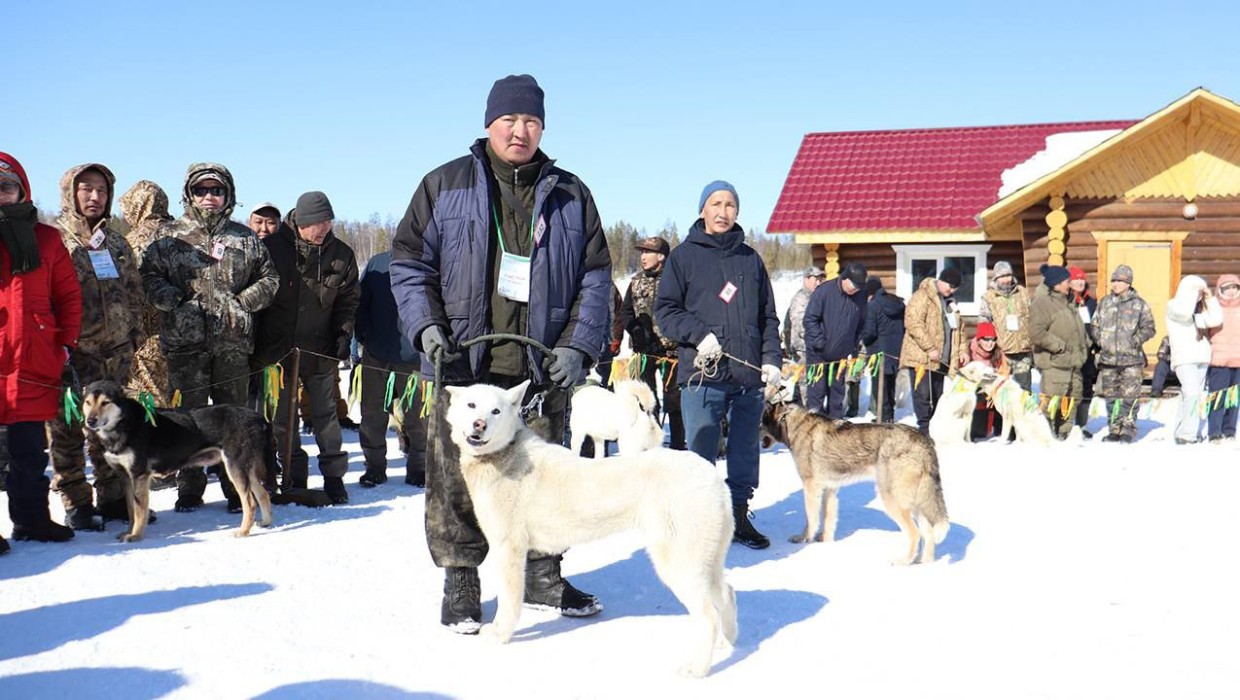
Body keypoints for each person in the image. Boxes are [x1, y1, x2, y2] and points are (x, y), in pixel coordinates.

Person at [390, 75, 612, 632]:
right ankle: (462, 579)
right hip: (464, 369)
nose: (521, 131)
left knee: (543, 483)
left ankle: (542, 575)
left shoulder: (570, 193)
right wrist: (426, 329)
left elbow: (596, 277)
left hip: (538, 371)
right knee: (454, 479)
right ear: (489, 123)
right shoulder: (446, 184)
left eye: (532, 121)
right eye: (510, 120)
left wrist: (579, 346)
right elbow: (410, 264)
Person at [140, 163, 279, 512]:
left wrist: (244, 302)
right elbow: (149, 277)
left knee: (234, 419)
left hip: (232, 344)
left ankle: (238, 489)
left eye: (216, 190)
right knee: (188, 419)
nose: (209, 197)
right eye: (202, 190)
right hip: (186, 344)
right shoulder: (168, 236)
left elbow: (269, 279)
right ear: (190, 193)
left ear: (227, 194)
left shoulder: (244, 238)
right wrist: (174, 301)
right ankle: (190, 487)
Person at [655, 180, 781, 550]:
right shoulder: (683, 257)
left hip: (747, 376)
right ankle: (698, 525)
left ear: (737, 212)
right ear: (702, 211)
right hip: (702, 375)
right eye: (715, 203)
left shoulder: (750, 259)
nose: (723, 211)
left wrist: (771, 360)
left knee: (744, 449)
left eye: (729, 204)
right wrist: (699, 336)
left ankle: (739, 515)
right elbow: (666, 311)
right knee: (700, 454)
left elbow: (768, 317)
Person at [47, 163, 144, 531]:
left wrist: (131, 334)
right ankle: (76, 502)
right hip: (72, 354)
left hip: (114, 354)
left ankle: (113, 498)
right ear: (70, 193)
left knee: (110, 429)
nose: (94, 197)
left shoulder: (116, 242)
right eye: (86, 189)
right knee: (67, 429)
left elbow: (133, 291)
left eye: (101, 190)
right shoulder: (54, 238)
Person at [252, 192, 359, 504]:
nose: (324, 228)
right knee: (282, 417)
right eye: (318, 223)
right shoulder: (272, 249)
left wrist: (341, 335)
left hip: (320, 349)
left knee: (326, 416)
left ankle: (334, 477)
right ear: (301, 221)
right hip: (278, 352)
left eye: (329, 221)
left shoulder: (341, 254)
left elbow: (349, 300)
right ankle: (292, 473)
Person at [0, 152, 82, 546]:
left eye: (6, 186)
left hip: (34, 356)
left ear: (22, 190)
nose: (1, 194)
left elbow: (67, 294)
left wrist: (64, 341)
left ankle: (31, 519)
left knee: (29, 451)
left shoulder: (46, 238)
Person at [356, 249, 426, 488]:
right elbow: (360, 301)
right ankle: (374, 468)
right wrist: (362, 335)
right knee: (372, 415)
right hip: (376, 353)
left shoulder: (427, 261)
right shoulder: (378, 263)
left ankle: (419, 468)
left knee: (418, 416)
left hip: (414, 355)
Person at [618, 236, 684, 448]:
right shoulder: (636, 281)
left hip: (672, 352)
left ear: (662, 256)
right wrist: (634, 329)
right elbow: (625, 312)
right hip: (644, 351)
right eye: (642, 252)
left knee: (675, 402)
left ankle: (676, 444)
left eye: (648, 252)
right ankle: (651, 443)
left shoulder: (677, 280)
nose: (643, 257)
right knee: (646, 399)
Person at [120, 181, 175, 405]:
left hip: (144, 340)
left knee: (148, 404)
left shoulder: (128, 243)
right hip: (184, 336)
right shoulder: (183, 235)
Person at [1090, 265, 1155, 443]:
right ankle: (1114, 429)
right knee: (1111, 398)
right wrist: (1101, 340)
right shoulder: (1105, 302)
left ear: (1128, 283)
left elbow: (1149, 327)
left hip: (1132, 361)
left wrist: (1135, 340)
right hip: (1108, 360)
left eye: (1120, 281)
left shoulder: (1139, 304)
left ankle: (1127, 429)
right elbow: (1094, 326)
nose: (1115, 284)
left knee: (1129, 398)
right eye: (1114, 280)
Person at [899, 268, 967, 435]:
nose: (951, 290)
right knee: (923, 395)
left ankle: (933, 427)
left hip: (942, 359)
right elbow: (913, 323)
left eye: (955, 288)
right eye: (950, 286)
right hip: (922, 357)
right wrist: (930, 347)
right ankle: (924, 429)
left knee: (937, 395)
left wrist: (962, 350)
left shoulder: (951, 302)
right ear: (941, 280)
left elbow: (960, 329)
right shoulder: (922, 296)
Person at [1028, 264, 1089, 440]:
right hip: (1055, 363)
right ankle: (1046, 435)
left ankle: (1065, 433)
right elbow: (1036, 333)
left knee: (1070, 401)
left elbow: (1077, 329)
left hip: (1074, 363)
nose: (1069, 283)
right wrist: (1059, 346)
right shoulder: (1042, 304)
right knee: (1051, 402)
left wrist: (1085, 345)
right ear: (1055, 284)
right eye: (1066, 281)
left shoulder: (1069, 302)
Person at [803, 262, 868, 417]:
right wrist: (819, 341)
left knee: (837, 398)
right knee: (816, 396)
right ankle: (815, 433)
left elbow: (862, 322)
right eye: (853, 285)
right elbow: (809, 319)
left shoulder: (860, 296)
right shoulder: (824, 291)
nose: (854, 289)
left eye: (858, 287)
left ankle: (835, 433)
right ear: (845, 278)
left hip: (841, 356)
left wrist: (854, 345)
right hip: (818, 354)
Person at [1165, 274, 1222, 444]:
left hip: (1201, 357)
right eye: (1195, 291)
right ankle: (1186, 435)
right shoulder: (1173, 306)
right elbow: (1184, 314)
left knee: (1191, 395)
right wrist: (1192, 296)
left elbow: (1216, 319)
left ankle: (1184, 429)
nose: (1198, 295)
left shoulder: (1200, 311)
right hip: (1184, 358)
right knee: (1191, 394)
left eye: (1200, 292)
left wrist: (1209, 299)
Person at [978, 260, 1032, 391]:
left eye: (1008, 275)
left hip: (1022, 350)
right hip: (1001, 351)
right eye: (1002, 276)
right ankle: (996, 411)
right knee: (996, 387)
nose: (1005, 279)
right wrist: (988, 345)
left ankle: (1022, 411)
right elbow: (984, 322)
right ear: (996, 278)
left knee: (1023, 389)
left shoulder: (1023, 293)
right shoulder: (989, 297)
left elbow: (1033, 316)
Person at [860, 276, 904, 423]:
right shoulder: (898, 303)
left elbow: (870, 332)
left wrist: (862, 338)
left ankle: (882, 417)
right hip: (895, 351)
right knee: (890, 385)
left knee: (879, 386)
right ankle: (889, 415)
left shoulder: (873, 306)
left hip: (877, 352)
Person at [782, 266, 824, 405]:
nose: (817, 283)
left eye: (820, 280)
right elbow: (800, 324)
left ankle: (798, 407)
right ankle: (807, 411)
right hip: (803, 348)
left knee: (802, 382)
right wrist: (818, 337)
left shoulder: (817, 297)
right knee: (806, 383)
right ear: (806, 279)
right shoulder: (800, 299)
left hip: (813, 347)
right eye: (814, 279)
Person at [1206, 275, 1240, 441]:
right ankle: (1214, 432)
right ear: (1220, 289)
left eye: (1234, 287)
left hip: (1238, 359)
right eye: (1227, 287)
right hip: (1219, 360)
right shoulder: (1213, 307)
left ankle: (1229, 430)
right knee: (1217, 397)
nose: (1231, 291)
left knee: (1234, 398)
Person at [962, 321, 1009, 440]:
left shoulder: (998, 354)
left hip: (993, 389)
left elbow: (1003, 374)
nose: (990, 343)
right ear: (979, 339)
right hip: (974, 390)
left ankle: (1001, 427)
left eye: (993, 340)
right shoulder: (969, 352)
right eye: (986, 339)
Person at [1067, 266, 1099, 437]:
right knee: (1069, 387)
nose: (1079, 282)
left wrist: (1096, 344)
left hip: (1087, 353)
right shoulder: (1064, 300)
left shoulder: (1091, 302)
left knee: (1086, 387)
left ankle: (1082, 425)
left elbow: (1096, 325)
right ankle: (1067, 424)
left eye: (1081, 279)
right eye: (1075, 279)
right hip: (1069, 353)